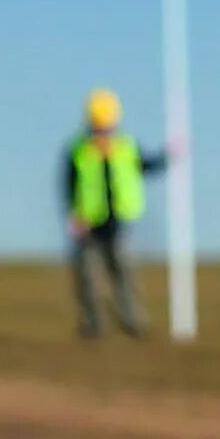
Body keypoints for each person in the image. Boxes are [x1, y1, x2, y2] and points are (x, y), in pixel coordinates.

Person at [63, 88, 169, 339]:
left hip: (118, 222)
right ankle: (92, 325)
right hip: (89, 223)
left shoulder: (126, 147)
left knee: (125, 274)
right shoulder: (79, 150)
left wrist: (168, 156)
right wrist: (74, 215)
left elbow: (146, 166)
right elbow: (69, 184)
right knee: (88, 277)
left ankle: (133, 322)